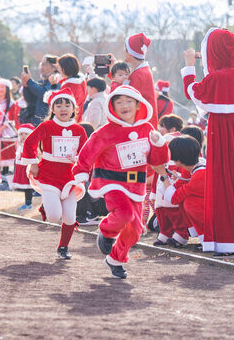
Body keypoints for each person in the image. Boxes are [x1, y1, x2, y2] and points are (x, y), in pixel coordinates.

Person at [72, 85, 169, 278]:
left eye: (129, 101)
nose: (124, 105)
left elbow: (157, 161)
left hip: (136, 185)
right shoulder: (106, 131)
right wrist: (81, 172)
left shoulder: (147, 129)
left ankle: (115, 259)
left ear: (138, 105)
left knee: (136, 229)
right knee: (123, 213)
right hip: (111, 182)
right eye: (119, 102)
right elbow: (89, 151)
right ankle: (106, 231)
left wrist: (159, 144)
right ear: (112, 107)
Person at [182, 28, 234, 258]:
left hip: (224, 133)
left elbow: (194, 92)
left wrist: (189, 67)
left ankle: (230, 240)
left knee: (225, 182)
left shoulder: (218, 77)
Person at [22, 90, 88, 260]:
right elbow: (30, 142)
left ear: (74, 109)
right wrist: (33, 163)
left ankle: (63, 247)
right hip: (48, 175)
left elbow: (86, 152)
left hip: (70, 177)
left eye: (67, 105)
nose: (63, 108)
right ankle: (46, 205)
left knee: (70, 217)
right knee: (53, 217)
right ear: (53, 109)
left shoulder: (79, 130)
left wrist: (78, 161)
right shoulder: (46, 126)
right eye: (58, 105)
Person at [163, 135, 206, 246]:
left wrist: (164, 176)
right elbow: (178, 187)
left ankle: (209, 238)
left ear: (178, 159)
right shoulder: (197, 166)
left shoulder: (200, 174)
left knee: (190, 203)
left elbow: (174, 198)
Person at [124, 33, 158, 130]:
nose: (124, 52)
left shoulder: (138, 75)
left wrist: (114, 78)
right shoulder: (143, 71)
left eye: (125, 49)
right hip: (146, 124)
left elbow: (122, 96)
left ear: (130, 54)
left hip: (141, 126)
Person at [20, 55, 58, 126]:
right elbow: (29, 99)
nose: (41, 67)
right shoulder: (41, 82)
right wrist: (26, 86)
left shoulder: (56, 81)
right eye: (41, 64)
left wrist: (29, 81)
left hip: (49, 121)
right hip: (37, 121)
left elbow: (44, 94)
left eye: (44, 64)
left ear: (54, 67)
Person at [10, 124, 36, 210]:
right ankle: (27, 203)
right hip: (21, 168)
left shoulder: (31, 145)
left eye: (26, 134)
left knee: (28, 187)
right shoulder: (20, 145)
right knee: (26, 187)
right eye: (21, 134)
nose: (23, 136)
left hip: (27, 168)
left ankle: (29, 203)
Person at [57, 54, 86, 122]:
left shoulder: (68, 86)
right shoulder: (81, 81)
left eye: (59, 67)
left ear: (64, 69)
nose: (58, 70)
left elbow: (57, 104)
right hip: (78, 118)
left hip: (69, 120)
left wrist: (53, 86)